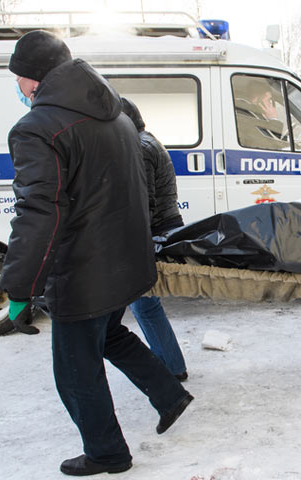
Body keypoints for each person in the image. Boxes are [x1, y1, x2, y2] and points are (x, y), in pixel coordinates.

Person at [0, 30, 194, 476]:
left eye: (18, 79)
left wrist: (18, 286)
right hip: (125, 262)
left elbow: (38, 213)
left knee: (75, 368)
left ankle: (108, 452)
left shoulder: (36, 129)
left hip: (82, 272)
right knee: (110, 336)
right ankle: (169, 393)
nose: (18, 88)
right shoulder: (118, 117)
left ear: (33, 79)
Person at [120, 97, 188, 382]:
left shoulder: (142, 148)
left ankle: (171, 367)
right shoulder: (145, 141)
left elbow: (143, 202)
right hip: (160, 227)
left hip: (156, 230)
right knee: (144, 304)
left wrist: (135, 242)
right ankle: (170, 364)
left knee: (144, 303)